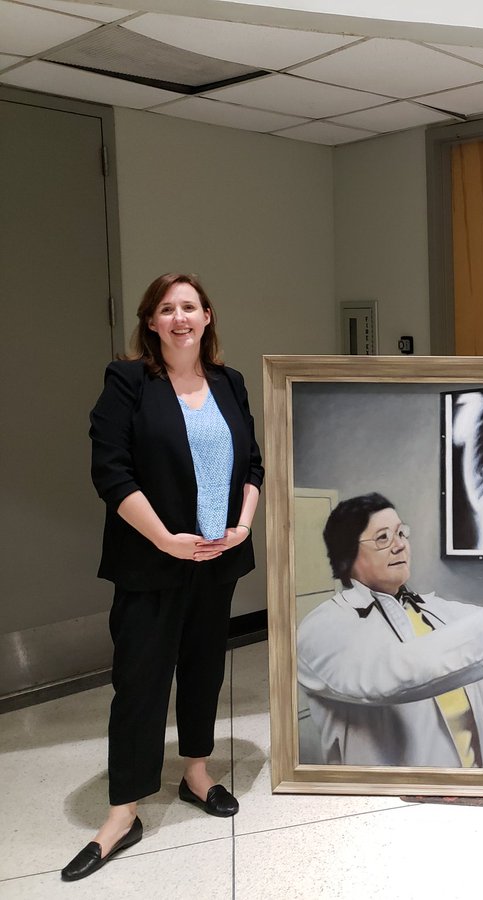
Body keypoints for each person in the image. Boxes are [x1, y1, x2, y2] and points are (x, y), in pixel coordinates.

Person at [67, 273, 263, 882]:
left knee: (204, 670)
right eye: (167, 309)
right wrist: (164, 539)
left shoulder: (229, 382)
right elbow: (111, 472)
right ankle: (122, 812)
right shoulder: (128, 381)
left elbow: (253, 464)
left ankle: (196, 774)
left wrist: (243, 524)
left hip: (217, 560)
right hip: (152, 562)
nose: (180, 318)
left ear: (207, 317)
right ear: (151, 322)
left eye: (190, 307)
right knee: (140, 683)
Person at [296, 493, 483, 768]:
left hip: (469, 786)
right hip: (389, 793)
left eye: (401, 533)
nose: (400, 545)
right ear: (347, 552)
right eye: (383, 538)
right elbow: (395, 673)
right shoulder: (321, 628)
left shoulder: (435, 610)